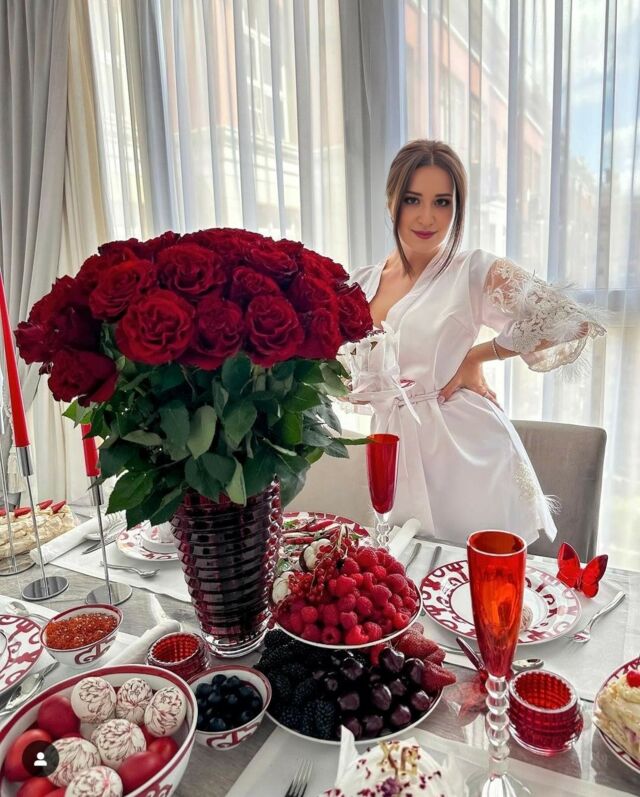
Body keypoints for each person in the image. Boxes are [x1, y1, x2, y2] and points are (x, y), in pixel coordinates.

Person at [349, 139, 605, 546]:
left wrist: (479, 355)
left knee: (470, 578)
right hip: (391, 451)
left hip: (464, 454)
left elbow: (571, 320)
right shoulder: (360, 282)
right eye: (413, 199)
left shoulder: (471, 270)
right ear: (390, 199)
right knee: (400, 571)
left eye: (443, 202)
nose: (428, 217)